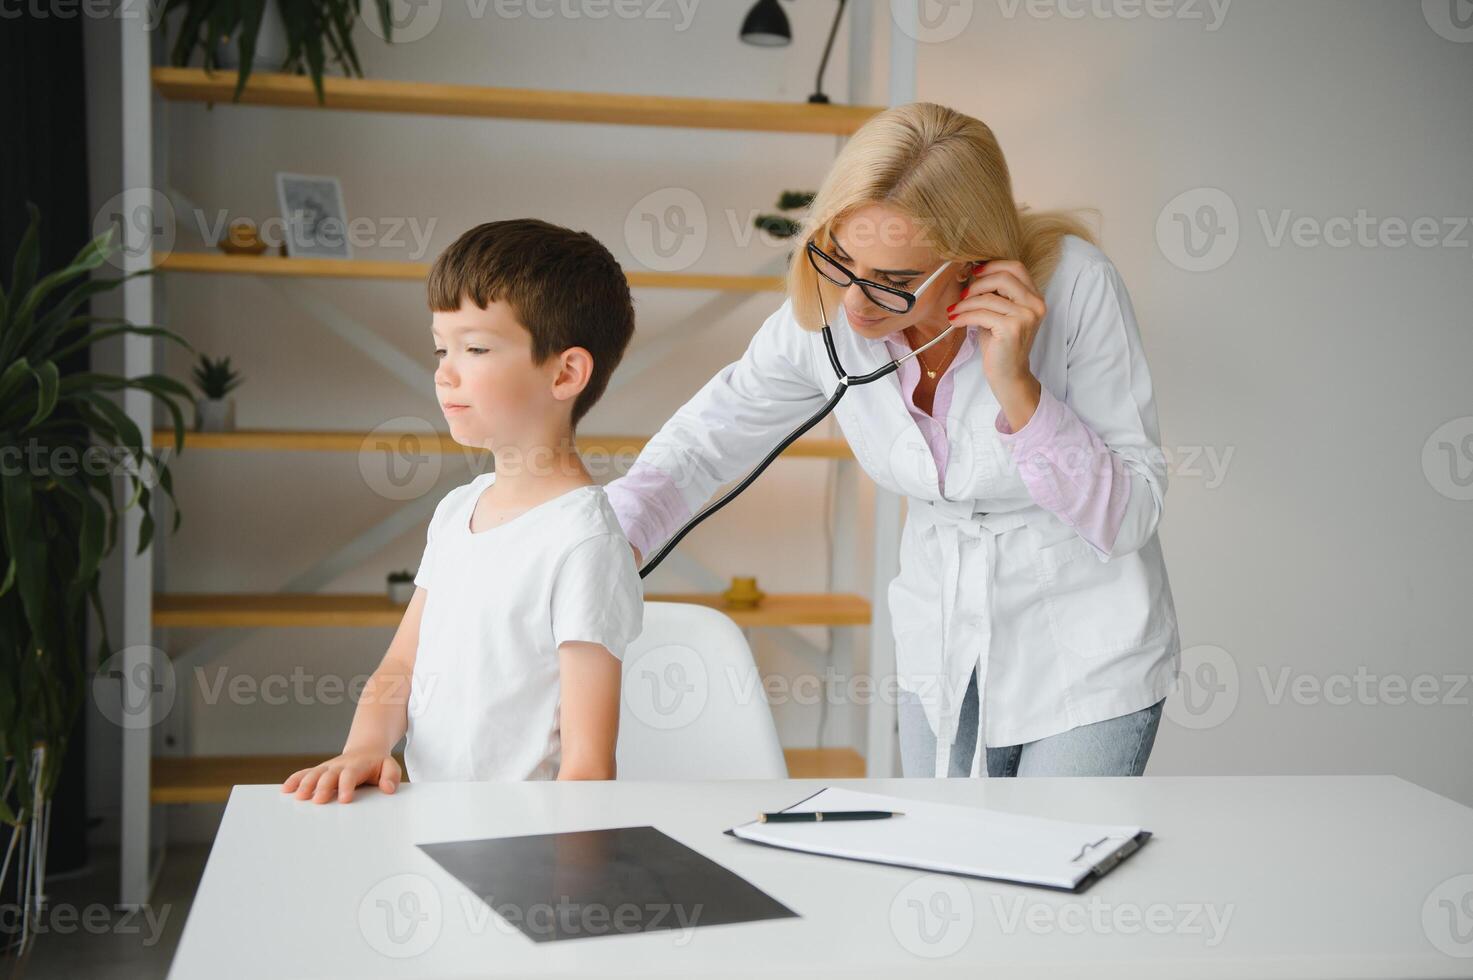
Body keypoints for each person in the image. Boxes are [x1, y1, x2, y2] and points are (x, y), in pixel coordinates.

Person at [606, 103, 1180, 778]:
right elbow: (704, 443)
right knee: (946, 857)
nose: (856, 303)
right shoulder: (828, 315)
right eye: (841, 259)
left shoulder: (1078, 287)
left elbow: (1129, 517)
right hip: (939, 638)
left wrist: (1017, 387)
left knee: (1051, 863)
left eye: (895, 280)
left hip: (1085, 649)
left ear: (973, 265)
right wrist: (593, 545)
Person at [283, 219, 643, 803]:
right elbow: (400, 664)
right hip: (433, 822)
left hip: (527, 848)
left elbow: (588, 765)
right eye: (441, 348)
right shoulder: (457, 511)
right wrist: (364, 748)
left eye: (475, 348)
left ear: (566, 372)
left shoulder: (583, 542)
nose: (444, 372)